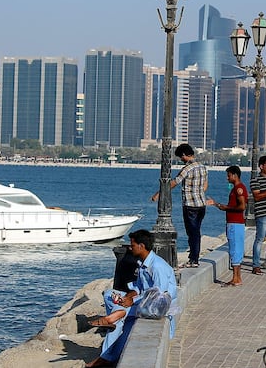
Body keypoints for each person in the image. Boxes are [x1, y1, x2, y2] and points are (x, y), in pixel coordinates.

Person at [85, 229, 177, 368]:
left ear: (142, 246)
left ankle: (106, 354)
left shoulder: (157, 266)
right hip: (143, 301)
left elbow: (159, 296)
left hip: (156, 307)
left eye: (132, 245)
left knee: (120, 323)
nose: (130, 247)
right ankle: (117, 316)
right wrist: (129, 296)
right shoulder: (143, 264)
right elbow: (140, 288)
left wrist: (132, 301)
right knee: (110, 294)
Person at [151, 143, 207, 268]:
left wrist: (158, 194)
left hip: (190, 205)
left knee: (192, 232)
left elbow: (173, 183)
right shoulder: (202, 167)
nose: (181, 160)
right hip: (201, 204)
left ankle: (193, 259)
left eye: (181, 157)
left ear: (184, 155)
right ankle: (194, 257)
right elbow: (205, 185)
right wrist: (198, 193)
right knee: (196, 231)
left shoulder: (187, 169)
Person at [206, 165, 247, 286]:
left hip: (234, 223)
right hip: (237, 223)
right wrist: (217, 204)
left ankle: (235, 278)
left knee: (234, 249)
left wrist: (226, 207)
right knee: (237, 249)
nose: (227, 178)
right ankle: (237, 277)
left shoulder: (238, 189)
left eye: (228, 175)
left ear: (234, 175)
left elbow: (242, 206)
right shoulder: (239, 188)